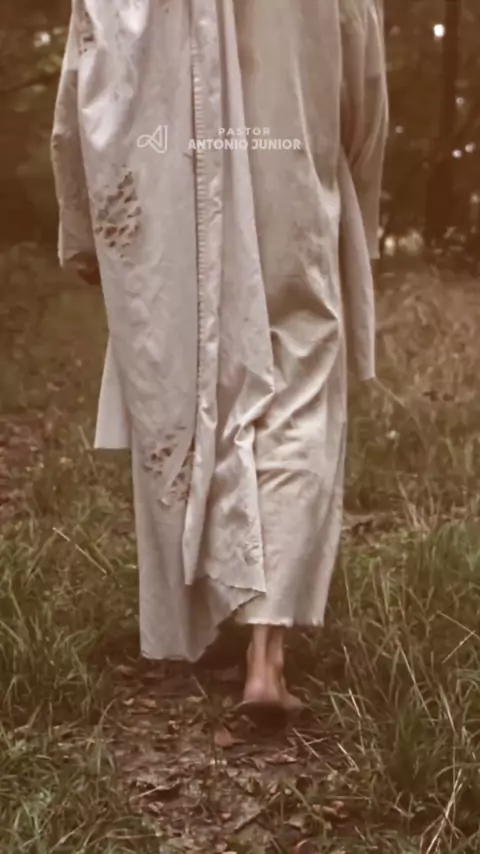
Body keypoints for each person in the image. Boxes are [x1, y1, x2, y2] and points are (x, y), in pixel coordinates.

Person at [51, 0, 388, 720]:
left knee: (206, 385)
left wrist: (85, 222)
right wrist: (361, 200)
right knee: (297, 385)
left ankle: (215, 594)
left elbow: (91, 56)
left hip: (178, 191)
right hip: (295, 180)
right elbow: (363, 78)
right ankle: (266, 653)